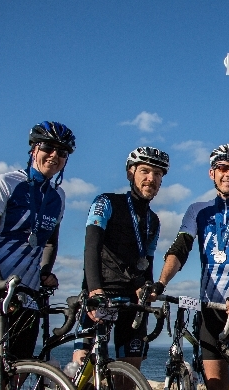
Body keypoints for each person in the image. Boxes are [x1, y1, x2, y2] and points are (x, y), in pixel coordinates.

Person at [0, 121, 75, 380]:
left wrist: (45, 270)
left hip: (26, 290)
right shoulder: (4, 183)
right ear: (34, 148)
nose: (55, 155)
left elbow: (49, 242)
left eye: (62, 151)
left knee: (18, 372)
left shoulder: (59, 197)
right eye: (49, 147)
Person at [153, 143, 229, 390]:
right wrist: (161, 282)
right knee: (215, 384)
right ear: (212, 173)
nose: (228, 173)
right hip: (210, 308)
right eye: (222, 168)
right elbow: (179, 249)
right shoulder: (197, 210)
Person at [71, 146, 169, 372]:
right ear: (130, 173)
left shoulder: (153, 221)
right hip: (102, 294)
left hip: (133, 301)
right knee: (83, 367)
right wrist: (94, 289)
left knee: (131, 372)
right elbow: (91, 247)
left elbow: (148, 262)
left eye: (158, 174)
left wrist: (148, 289)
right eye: (145, 171)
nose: (151, 178)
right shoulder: (105, 202)